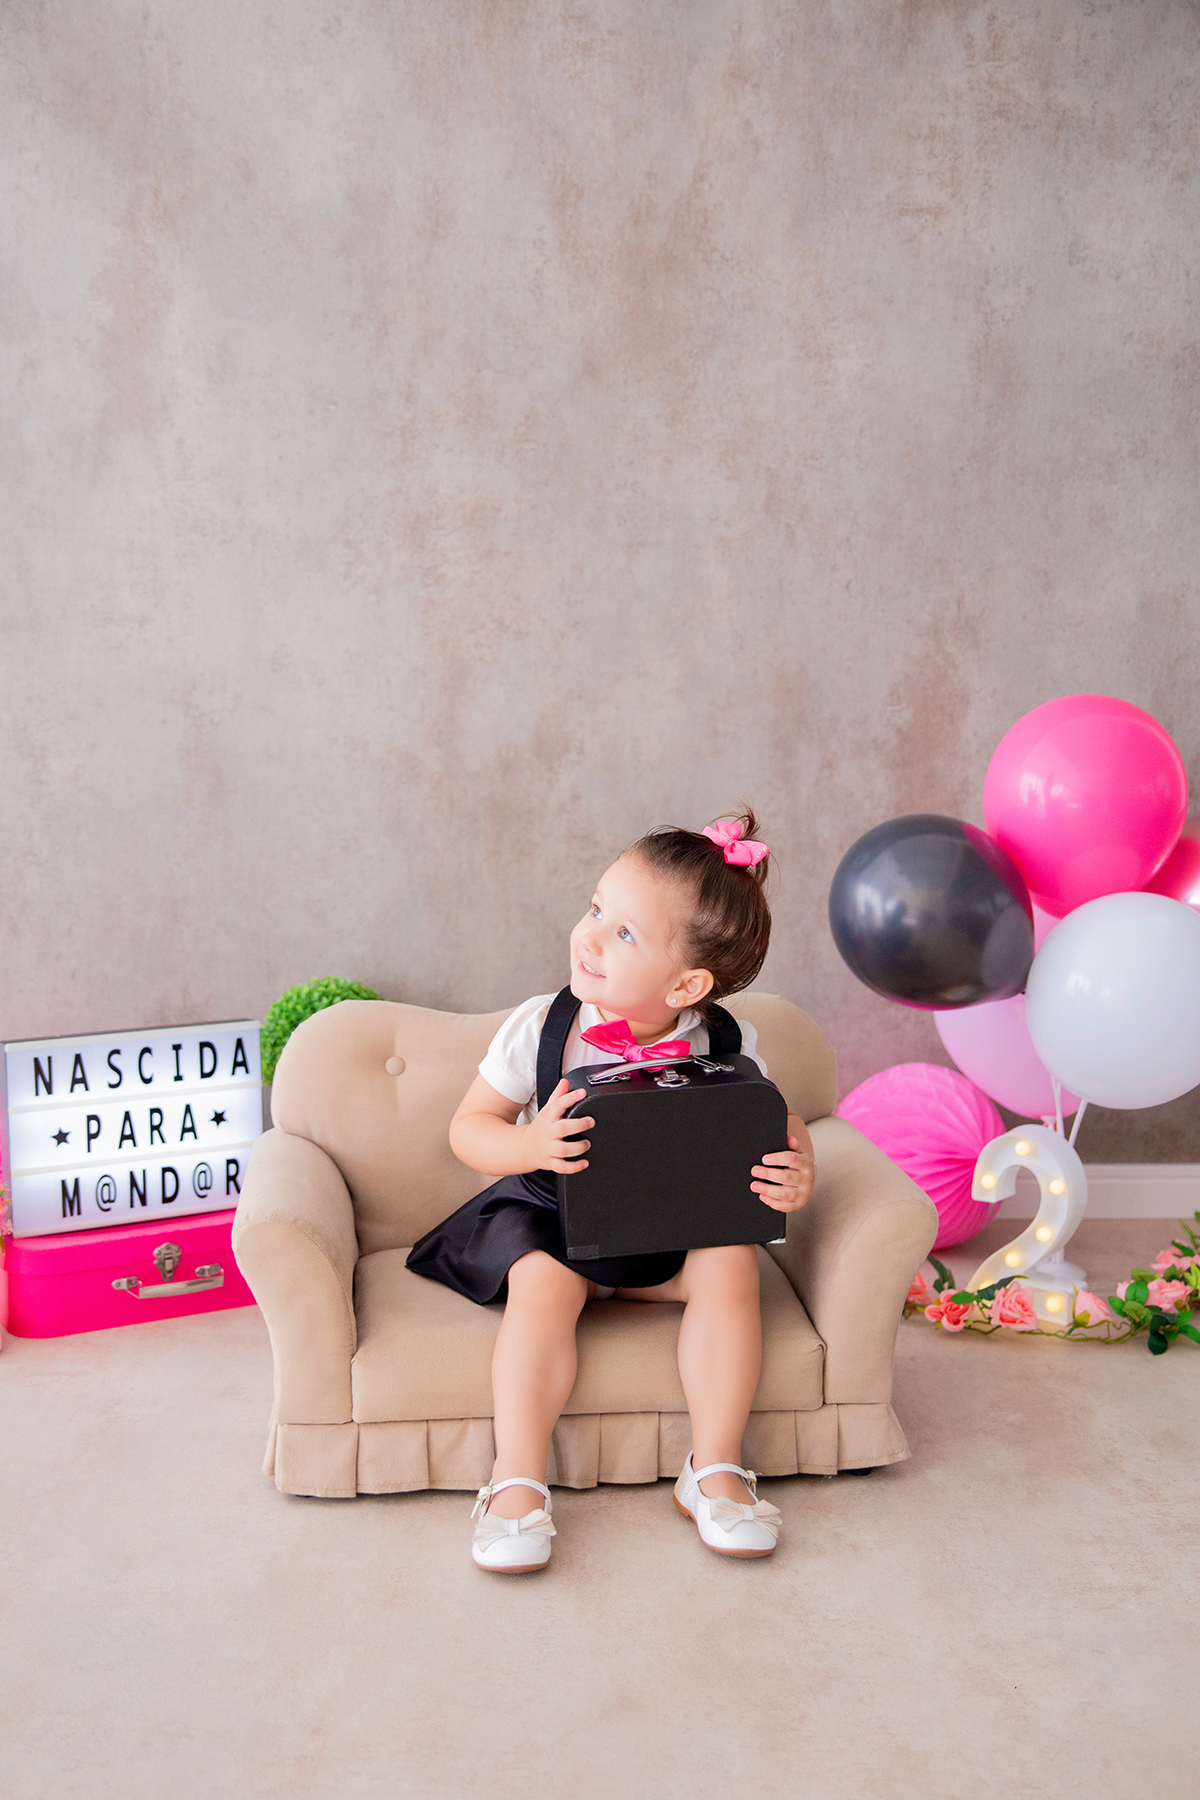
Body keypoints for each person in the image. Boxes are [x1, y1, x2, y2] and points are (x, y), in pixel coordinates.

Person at [407, 812, 816, 1571]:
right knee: (540, 1287)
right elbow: (469, 1129)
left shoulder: (720, 1041)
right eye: (597, 909)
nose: (589, 936)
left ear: (687, 984)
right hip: (554, 1220)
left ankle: (716, 1469)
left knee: (733, 1266)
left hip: (664, 1230)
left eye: (624, 933)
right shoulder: (543, 1025)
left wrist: (796, 1168)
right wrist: (528, 1142)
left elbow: (776, 1128)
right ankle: (516, 1481)